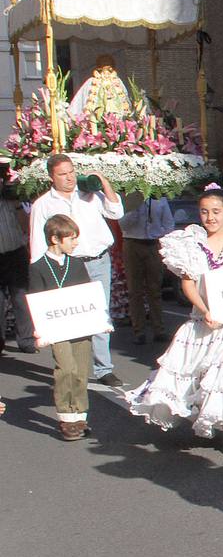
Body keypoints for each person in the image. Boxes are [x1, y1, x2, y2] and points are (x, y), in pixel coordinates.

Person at [126, 186, 223, 456]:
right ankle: (206, 417)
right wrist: (205, 309)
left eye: (216, 212)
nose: (210, 217)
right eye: (204, 211)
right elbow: (188, 283)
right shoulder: (188, 242)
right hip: (204, 319)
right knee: (198, 377)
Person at [28, 154, 124, 387]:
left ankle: (103, 368)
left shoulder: (90, 195)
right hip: (68, 265)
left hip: (98, 260)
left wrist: (104, 183)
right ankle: (69, 366)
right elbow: (38, 243)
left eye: (71, 172)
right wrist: (43, 273)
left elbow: (116, 212)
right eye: (63, 174)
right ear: (52, 177)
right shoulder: (43, 204)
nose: (69, 177)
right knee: (70, 314)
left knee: (99, 312)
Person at [28, 214, 100, 440]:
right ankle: (66, 417)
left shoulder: (77, 264)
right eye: (71, 238)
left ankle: (80, 415)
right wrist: (39, 330)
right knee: (66, 369)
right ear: (54, 239)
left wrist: (100, 320)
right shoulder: (38, 267)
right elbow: (36, 299)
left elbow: (88, 296)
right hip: (56, 329)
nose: (75, 243)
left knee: (80, 371)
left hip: (80, 326)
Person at [118, 193, 176, 345]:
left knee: (154, 289)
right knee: (134, 291)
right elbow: (123, 224)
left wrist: (159, 235)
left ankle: (159, 329)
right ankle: (139, 330)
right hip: (132, 243)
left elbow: (169, 223)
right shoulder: (128, 199)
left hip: (153, 244)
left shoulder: (160, 199)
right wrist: (136, 209)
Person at [0, 187, 36, 354]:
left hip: (15, 251)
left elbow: (26, 226)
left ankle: (27, 340)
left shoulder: (11, 200)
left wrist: (16, 204)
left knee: (21, 297)